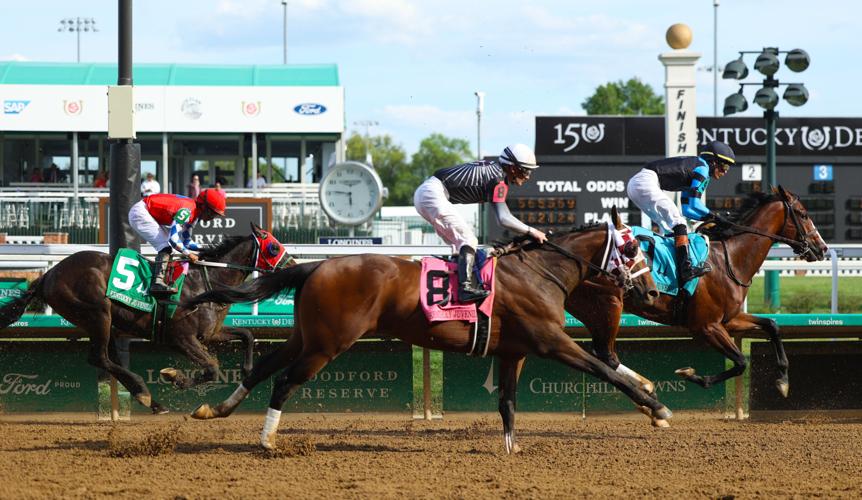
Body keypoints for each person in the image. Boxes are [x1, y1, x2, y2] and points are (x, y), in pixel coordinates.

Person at [414, 143, 548, 303]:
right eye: (525, 170)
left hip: (430, 191)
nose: (528, 176)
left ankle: (451, 288)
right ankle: (464, 289)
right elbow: (503, 218)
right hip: (433, 193)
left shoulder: (496, 172)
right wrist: (532, 231)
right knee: (468, 240)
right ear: (512, 168)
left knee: (460, 246)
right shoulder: (498, 180)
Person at [626, 140, 736, 287]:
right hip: (645, 182)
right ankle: (685, 269)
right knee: (678, 222)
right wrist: (715, 217)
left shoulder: (696, 167)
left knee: (671, 227)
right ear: (713, 162)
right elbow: (695, 204)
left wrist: (711, 218)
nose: (726, 171)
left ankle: (669, 267)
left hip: (637, 183)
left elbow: (688, 209)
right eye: (724, 165)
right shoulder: (702, 168)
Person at [128, 189, 227, 294]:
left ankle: (161, 278)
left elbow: (186, 243)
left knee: (169, 247)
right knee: (165, 246)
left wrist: (207, 248)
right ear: (203, 207)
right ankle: (157, 283)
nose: (213, 218)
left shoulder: (194, 214)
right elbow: (174, 240)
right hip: (140, 212)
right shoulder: (187, 211)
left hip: (149, 212)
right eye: (212, 213)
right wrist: (189, 254)